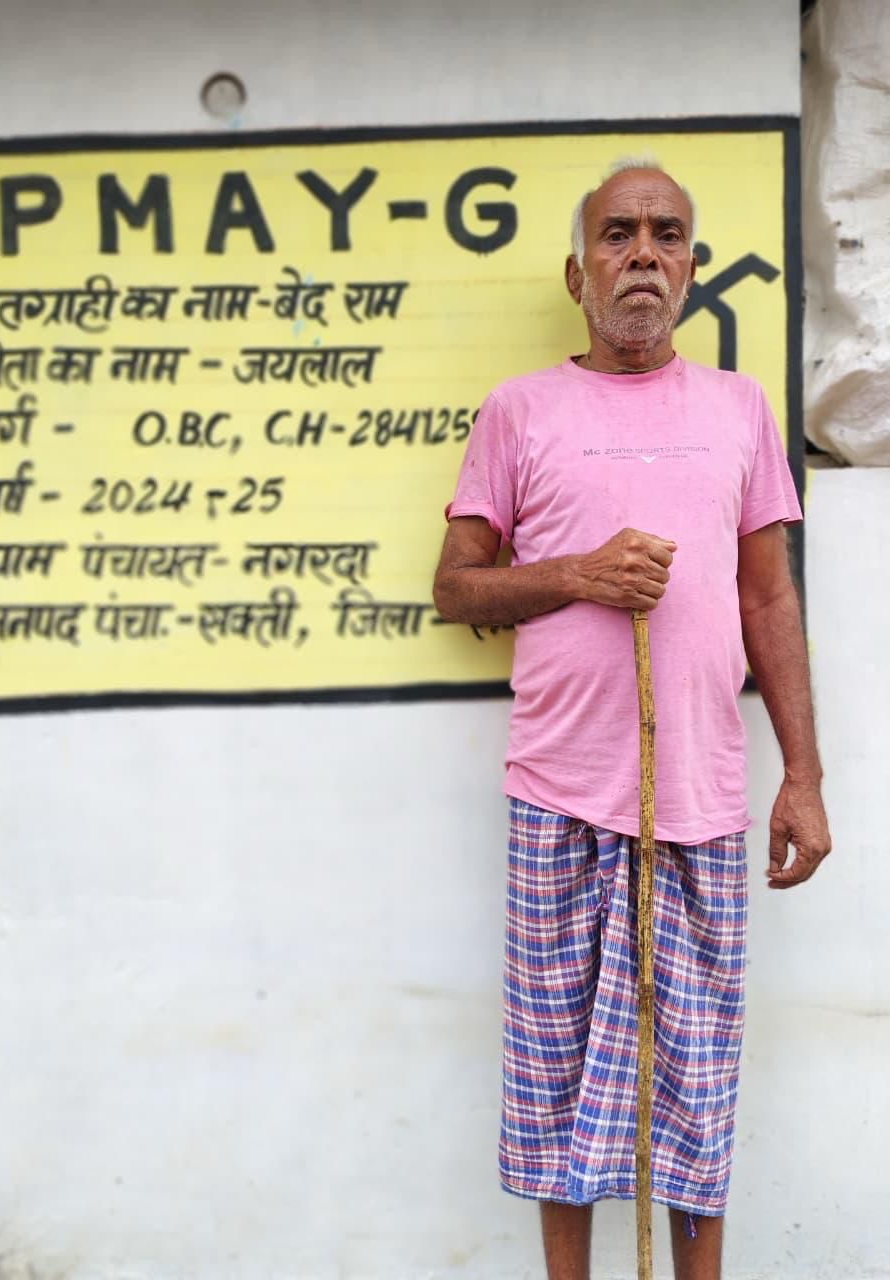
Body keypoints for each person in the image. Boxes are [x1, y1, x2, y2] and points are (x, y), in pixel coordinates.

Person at [432, 158, 831, 1280]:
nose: (642, 252)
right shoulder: (519, 410)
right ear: (578, 273)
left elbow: (768, 599)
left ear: (692, 269)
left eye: (665, 234)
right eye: (617, 233)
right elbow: (456, 588)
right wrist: (580, 573)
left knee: (696, 1087)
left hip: (697, 795)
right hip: (559, 792)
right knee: (554, 1081)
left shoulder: (739, 409)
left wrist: (803, 776)